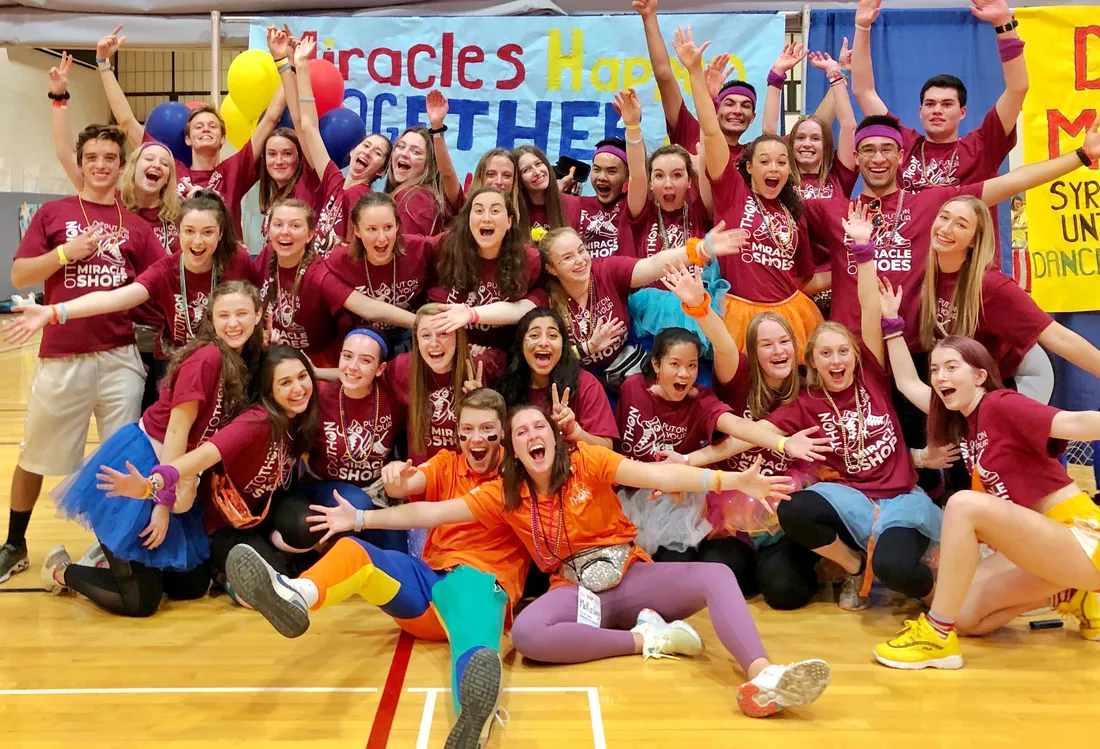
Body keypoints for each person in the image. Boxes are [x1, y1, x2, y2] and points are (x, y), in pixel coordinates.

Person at [309, 404, 831, 721]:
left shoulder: (589, 460)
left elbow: (660, 477)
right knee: (531, 635)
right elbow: (428, 509)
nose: (532, 435)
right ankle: (649, 640)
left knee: (718, 574)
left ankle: (762, 680)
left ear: (553, 436)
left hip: (631, 576)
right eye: (521, 433)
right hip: (577, 592)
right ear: (513, 450)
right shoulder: (504, 494)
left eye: (539, 427)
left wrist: (732, 481)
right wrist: (359, 520)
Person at [224, 389, 531, 749]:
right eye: (467, 431)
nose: (475, 439)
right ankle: (295, 595)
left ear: (503, 433)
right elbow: (413, 480)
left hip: (481, 583)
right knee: (355, 551)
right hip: (428, 587)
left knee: (476, 650)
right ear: (458, 433)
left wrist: (359, 517)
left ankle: (474, 723)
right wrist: (397, 477)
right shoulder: (448, 462)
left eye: (487, 430)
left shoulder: (515, 477)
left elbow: (426, 514)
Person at [872, 326, 1100, 669]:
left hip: (1081, 536)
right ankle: (1075, 595)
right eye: (934, 369)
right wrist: (891, 326)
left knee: (963, 504)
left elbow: (1073, 423)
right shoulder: (965, 423)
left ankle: (935, 636)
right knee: (963, 616)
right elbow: (908, 383)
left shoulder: (1000, 403)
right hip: (1045, 547)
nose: (939, 376)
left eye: (951, 367)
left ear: (980, 375)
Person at [39, 281, 264, 616]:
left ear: (259, 315)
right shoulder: (207, 358)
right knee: (140, 602)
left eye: (242, 313)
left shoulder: (243, 358)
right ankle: (60, 571)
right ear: (212, 319)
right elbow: (177, 430)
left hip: (178, 469)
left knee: (190, 587)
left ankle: (115, 561)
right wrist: (162, 504)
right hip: (149, 463)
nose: (233, 323)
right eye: (224, 315)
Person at [1, 124, 163, 583]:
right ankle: (15, 543)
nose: (100, 165)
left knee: (121, 460)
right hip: (62, 356)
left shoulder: (134, 224)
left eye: (110, 157)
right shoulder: (53, 213)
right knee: (35, 455)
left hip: (119, 358)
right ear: (81, 160)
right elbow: (18, 275)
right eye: (92, 156)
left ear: (120, 164)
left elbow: (160, 282)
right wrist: (64, 255)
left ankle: (112, 546)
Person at [663, 265, 822, 610]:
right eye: (766, 344)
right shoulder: (738, 375)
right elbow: (721, 340)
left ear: (796, 346)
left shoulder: (808, 390)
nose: (778, 351)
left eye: (784, 342)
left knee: (784, 592)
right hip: (732, 500)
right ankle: (752, 566)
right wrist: (700, 305)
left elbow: (764, 434)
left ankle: (778, 564)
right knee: (721, 578)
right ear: (752, 351)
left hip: (784, 500)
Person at [96, 345, 318, 586]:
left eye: (302, 376)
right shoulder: (256, 422)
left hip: (261, 511)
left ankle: (267, 552)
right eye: (285, 383)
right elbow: (203, 456)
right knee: (270, 582)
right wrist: (153, 485)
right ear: (269, 390)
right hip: (223, 521)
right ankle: (227, 574)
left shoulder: (304, 415)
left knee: (305, 527)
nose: (298, 388)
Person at [674, 27, 825, 358]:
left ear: (790, 170)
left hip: (790, 319)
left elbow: (804, 278)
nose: (774, 168)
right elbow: (712, 133)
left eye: (782, 161)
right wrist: (696, 74)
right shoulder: (732, 192)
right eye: (765, 161)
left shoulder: (795, 215)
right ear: (749, 167)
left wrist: (849, 269)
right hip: (738, 317)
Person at [4, 191, 254, 364]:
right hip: (179, 361)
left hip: (231, 360)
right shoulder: (166, 269)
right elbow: (115, 298)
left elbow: (262, 300)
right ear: (177, 233)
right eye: (189, 231)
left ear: (221, 234)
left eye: (208, 232)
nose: (198, 241)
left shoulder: (237, 261)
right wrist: (54, 312)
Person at [95, 25, 285, 234]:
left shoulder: (233, 171)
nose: (206, 130)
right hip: (181, 261)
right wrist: (103, 64)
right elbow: (126, 122)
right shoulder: (170, 169)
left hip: (224, 263)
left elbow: (270, 119)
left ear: (223, 139)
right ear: (187, 139)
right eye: (198, 127)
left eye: (212, 126)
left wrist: (286, 63)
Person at [917, 194, 1100, 391]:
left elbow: (1059, 337)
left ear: (973, 240)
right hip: (970, 381)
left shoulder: (992, 286)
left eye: (961, 225)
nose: (946, 229)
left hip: (1020, 377)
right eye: (944, 217)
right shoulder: (926, 271)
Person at [851, 0, 1028, 194]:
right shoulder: (903, 144)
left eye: (947, 104)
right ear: (920, 112)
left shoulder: (983, 146)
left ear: (963, 112)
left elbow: (1017, 88)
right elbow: (864, 91)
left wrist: (1003, 24)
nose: (937, 110)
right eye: (930, 104)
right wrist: (862, 26)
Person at [538, 223, 746, 387]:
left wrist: (700, 250)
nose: (580, 260)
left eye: (581, 250)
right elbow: (550, 358)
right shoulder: (544, 301)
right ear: (552, 269)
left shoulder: (605, 271)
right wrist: (588, 348)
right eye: (567, 258)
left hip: (628, 364)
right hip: (582, 380)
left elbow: (653, 265)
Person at [268, 330, 408, 555]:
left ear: (380, 369)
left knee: (397, 555)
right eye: (347, 356)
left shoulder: (394, 399)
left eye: (365, 360)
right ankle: (279, 542)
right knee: (356, 504)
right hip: (323, 486)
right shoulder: (318, 396)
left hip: (376, 492)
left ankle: (327, 550)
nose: (353, 367)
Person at [48, 52, 182, 253]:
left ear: (169, 177)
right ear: (130, 167)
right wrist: (59, 99)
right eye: (149, 158)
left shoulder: (179, 213)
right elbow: (64, 153)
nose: (156, 164)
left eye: (165, 163)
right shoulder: (109, 198)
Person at [254, 199, 415, 363]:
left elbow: (368, 307)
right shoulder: (268, 254)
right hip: (275, 353)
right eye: (278, 224)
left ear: (310, 235)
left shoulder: (319, 275)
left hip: (316, 363)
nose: (285, 232)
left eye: (295, 226)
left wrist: (421, 321)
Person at [288, 36, 390, 247]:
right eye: (366, 145)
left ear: (381, 170)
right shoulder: (334, 183)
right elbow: (309, 127)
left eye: (378, 153)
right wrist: (302, 66)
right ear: (353, 151)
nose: (369, 152)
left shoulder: (362, 199)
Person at [634, 0, 755, 162]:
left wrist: (777, 77)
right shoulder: (691, 132)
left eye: (746, 106)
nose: (738, 111)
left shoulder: (753, 155)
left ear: (753, 117)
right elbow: (664, 77)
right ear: (717, 109)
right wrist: (649, 17)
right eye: (729, 103)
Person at [425, 187, 547, 349]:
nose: (486, 218)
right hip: (448, 348)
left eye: (495, 210)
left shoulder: (530, 260)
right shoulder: (445, 246)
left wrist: (472, 315)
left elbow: (530, 306)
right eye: (478, 210)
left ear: (509, 221)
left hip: (503, 353)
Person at [383, 304, 499, 465]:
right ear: (416, 339)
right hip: (423, 476)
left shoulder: (480, 364)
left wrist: (481, 403)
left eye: (443, 333)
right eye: (425, 335)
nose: (434, 343)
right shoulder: (403, 368)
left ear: (458, 337)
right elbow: (362, 376)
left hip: (468, 475)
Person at [323, 192, 436, 350]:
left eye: (388, 227)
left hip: (410, 333)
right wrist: (424, 322)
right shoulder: (337, 262)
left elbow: (457, 241)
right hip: (362, 338)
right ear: (357, 230)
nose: (382, 238)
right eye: (372, 229)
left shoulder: (419, 248)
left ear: (397, 226)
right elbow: (369, 309)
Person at [498, 308, 618, 449]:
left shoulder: (585, 383)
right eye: (534, 335)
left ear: (563, 345)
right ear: (521, 345)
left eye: (552, 336)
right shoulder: (506, 387)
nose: (543, 342)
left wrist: (574, 431)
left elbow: (607, 449)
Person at [575, 137, 636, 258]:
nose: (601, 177)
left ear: (627, 175)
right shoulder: (577, 204)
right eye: (596, 170)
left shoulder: (635, 207)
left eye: (611, 171)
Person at [385, 124, 448, 236]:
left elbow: (408, 250)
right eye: (401, 146)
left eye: (416, 152)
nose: (404, 154)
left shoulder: (413, 198)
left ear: (429, 164)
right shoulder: (420, 195)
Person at [513, 145, 581, 232]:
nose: (537, 172)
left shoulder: (571, 203)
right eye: (526, 170)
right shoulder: (514, 211)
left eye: (538, 164)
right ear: (519, 180)